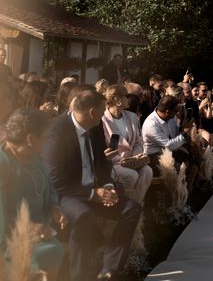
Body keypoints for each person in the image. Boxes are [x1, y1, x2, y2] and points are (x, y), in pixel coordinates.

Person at [42, 89, 142, 281]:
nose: (105, 115)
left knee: (132, 209)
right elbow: (56, 181)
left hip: (95, 189)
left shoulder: (94, 126)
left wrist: (108, 186)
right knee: (83, 215)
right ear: (92, 113)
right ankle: (79, 276)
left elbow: (102, 163)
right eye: (103, 111)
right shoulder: (56, 132)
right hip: (68, 194)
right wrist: (92, 195)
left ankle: (108, 270)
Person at [0, 108, 64, 280]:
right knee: (51, 251)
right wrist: (27, 228)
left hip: (43, 228)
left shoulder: (34, 157)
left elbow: (49, 186)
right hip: (11, 235)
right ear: (30, 139)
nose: (46, 143)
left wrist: (53, 207)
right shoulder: (3, 163)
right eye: (44, 137)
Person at [101, 85, 152, 204]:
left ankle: (135, 205)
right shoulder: (103, 120)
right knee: (132, 175)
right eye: (125, 96)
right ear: (116, 100)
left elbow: (138, 141)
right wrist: (124, 161)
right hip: (115, 162)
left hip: (133, 159)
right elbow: (107, 147)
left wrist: (135, 158)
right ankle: (127, 207)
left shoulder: (132, 116)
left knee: (147, 171)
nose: (128, 99)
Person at [141, 95, 198, 192]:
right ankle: (175, 197)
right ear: (167, 111)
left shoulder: (171, 118)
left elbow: (175, 136)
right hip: (153, 155)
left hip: (169, 151)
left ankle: (186, 194)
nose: (178, 112)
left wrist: (182, 126)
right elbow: (169, 145)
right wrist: (185, 132)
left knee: (194, 165)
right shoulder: (151, 124)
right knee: (179, 169)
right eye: (176, 110)